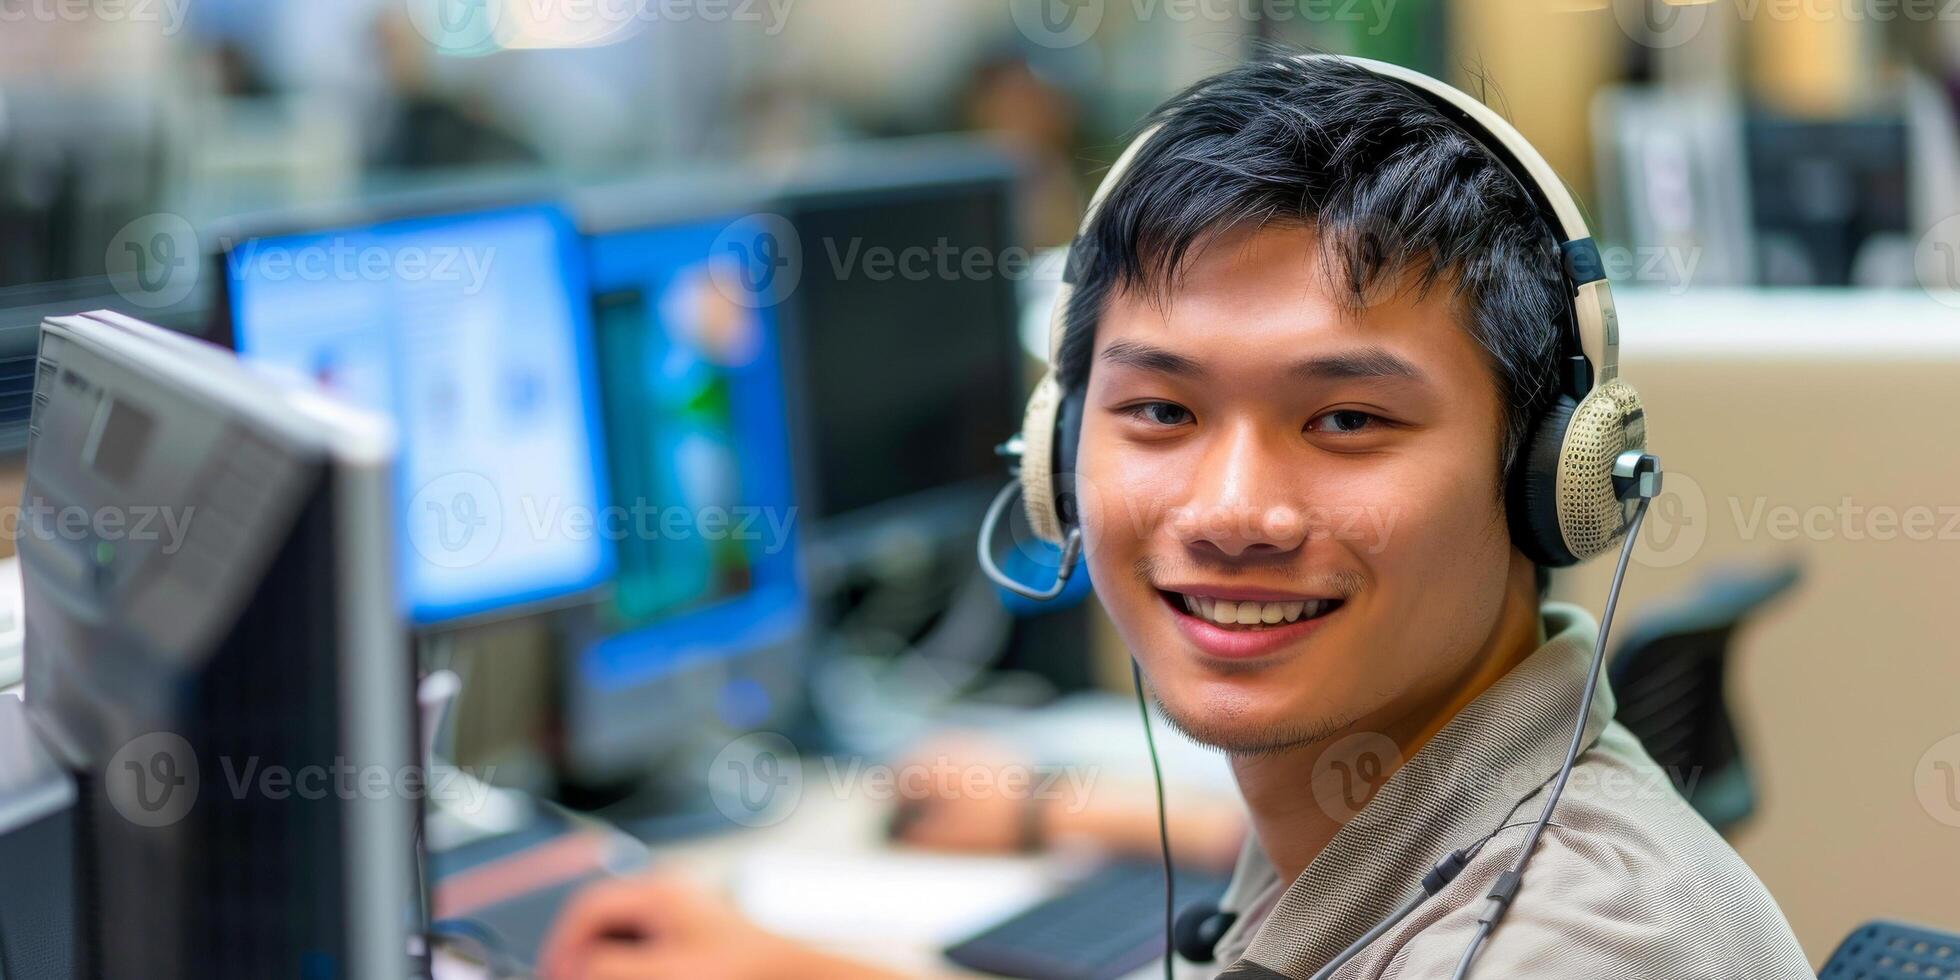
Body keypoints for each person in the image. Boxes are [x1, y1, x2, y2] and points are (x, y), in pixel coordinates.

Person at [539, 53, 1816, 980]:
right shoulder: (1378, 824)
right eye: (1157, 411)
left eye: (1346, 422)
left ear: (1552, 470)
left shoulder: (1568, 947)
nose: (1231, 510)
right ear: (1056, 450)